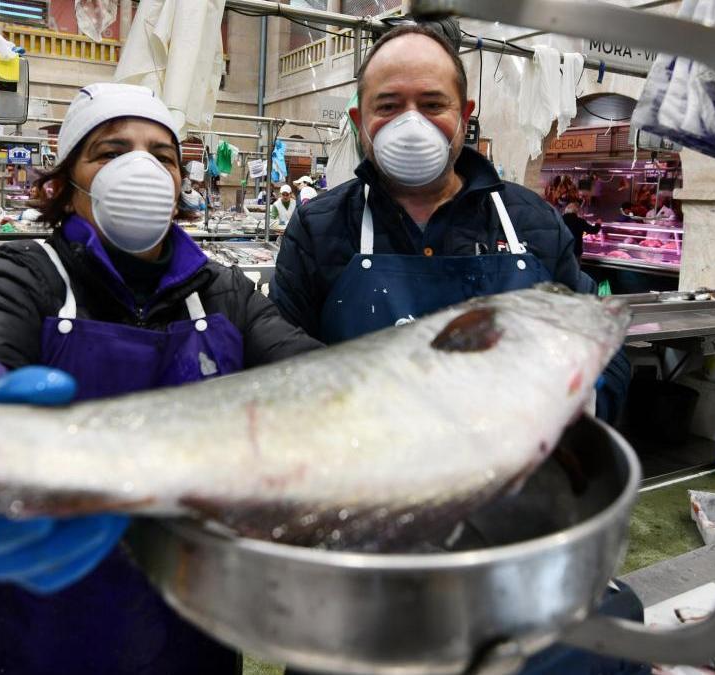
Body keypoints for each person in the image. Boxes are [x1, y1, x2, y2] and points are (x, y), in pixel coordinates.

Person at [0, 82, 321, 675]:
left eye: (163, 156)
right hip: (24, 632)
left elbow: (321, 384)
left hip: (183, 634)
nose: (141, 169)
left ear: (180, 184)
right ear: (67, 186)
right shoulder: (21, 276)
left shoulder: (226, 295)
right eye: (110, 151)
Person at [269, 24, 642, 675]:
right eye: (388, 105)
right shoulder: (319, 229)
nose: (410, 122)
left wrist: (570, 412)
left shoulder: (528, 224)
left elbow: (603, 347)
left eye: (432, 103)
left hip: (515, 536)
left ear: (465, 116)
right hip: (368, 546)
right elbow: (279, 371)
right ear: (360, 119)